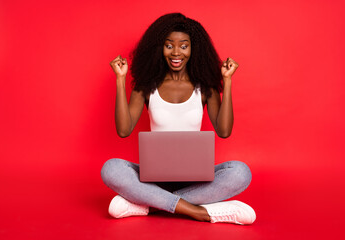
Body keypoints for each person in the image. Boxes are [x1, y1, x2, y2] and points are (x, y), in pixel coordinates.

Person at [101, 13, 256, 225]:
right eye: (169, 45)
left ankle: (149, 205)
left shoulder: (204, 87)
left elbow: (224, 130)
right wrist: (120, 79)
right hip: (154, 180)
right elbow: (123, 130)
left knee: (240, 172)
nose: (176, 52)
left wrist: (227, 81)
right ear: (159, 48)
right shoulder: (146, 86)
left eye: (184, 46)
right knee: (111, 168)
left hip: (195, 180)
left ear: (194, 50)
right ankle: (199, 212)